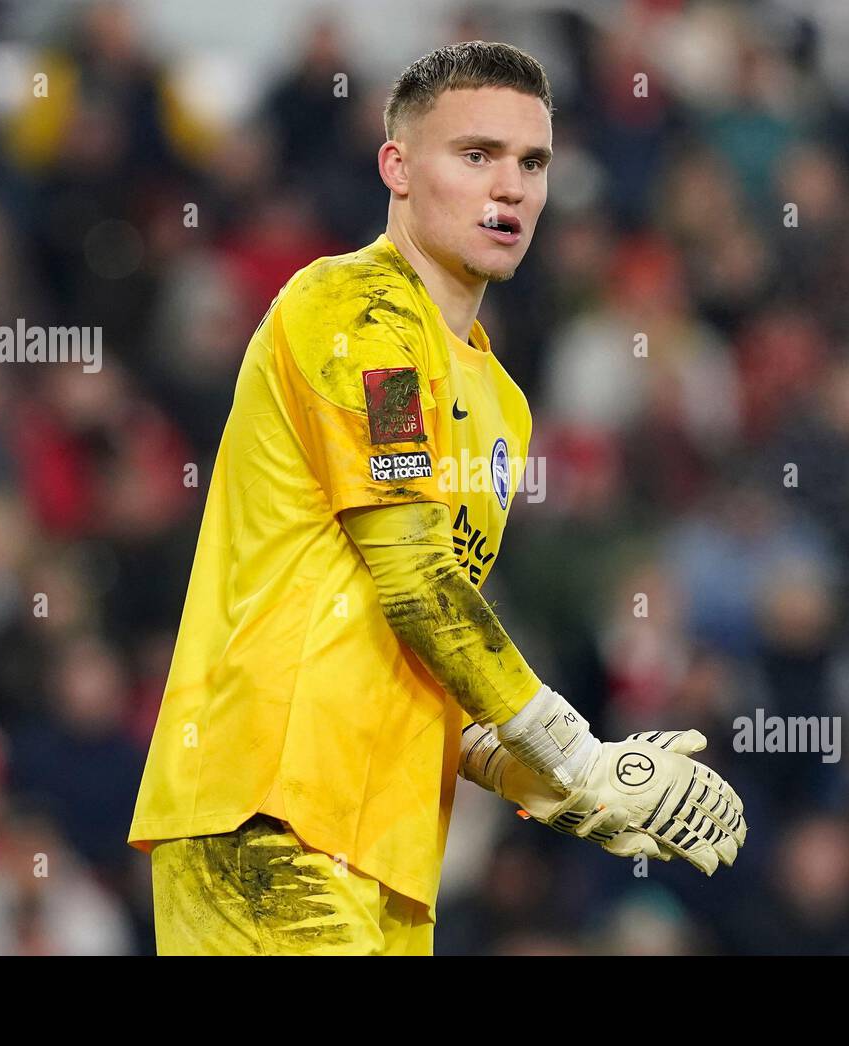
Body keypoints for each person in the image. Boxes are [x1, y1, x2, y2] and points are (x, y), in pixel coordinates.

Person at [129, 40, 747, 956]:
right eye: (476, 155)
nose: (512, 188)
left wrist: (566, 790)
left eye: (532, 163)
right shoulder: (355, 311)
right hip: (265, 814)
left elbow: (425, 657)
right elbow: (417, 576)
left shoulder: (503, 406)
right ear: (399, 167)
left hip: (387, 854)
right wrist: (574, 748)